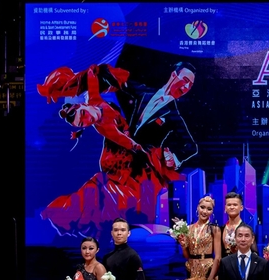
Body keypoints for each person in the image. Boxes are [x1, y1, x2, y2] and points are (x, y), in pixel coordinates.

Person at [39, 64, 180, 237]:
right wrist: (143, 152)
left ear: (83, 105)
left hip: (122, 153)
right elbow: (127, 143)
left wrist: (92, 72)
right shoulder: (104, 127)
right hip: (120, 156)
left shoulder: (94, 100)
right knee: (113, 193)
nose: (87, 120)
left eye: (83, 115)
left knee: (119, 191)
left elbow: (92, 78)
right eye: (83, 123)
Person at [124, 61, 199, 171]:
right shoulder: (145, 92)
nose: (187, 87)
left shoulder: (173, 115)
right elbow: (122, 82)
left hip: (142, 166)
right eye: (185, 80)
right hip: (121, 155)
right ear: (174, 75)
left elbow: (191, 146)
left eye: (190, 85)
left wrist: (174, 159)